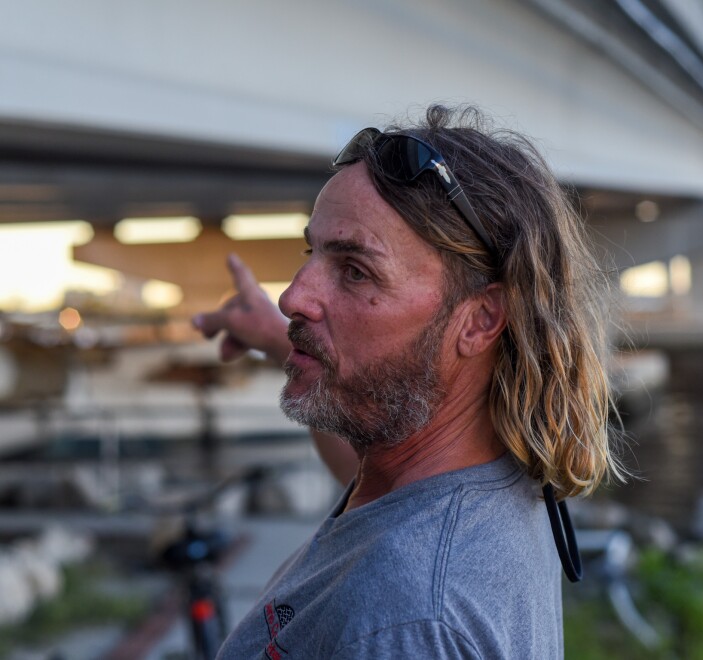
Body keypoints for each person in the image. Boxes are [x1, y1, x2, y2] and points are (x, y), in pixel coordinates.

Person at [193, 105, 624, 659]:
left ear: (480, 320)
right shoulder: (466, 479)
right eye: (312, 252)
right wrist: (284, 340)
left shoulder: (409, 620)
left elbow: (400, 582)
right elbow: (382, 502)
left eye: (355, 271)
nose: (293, 297)